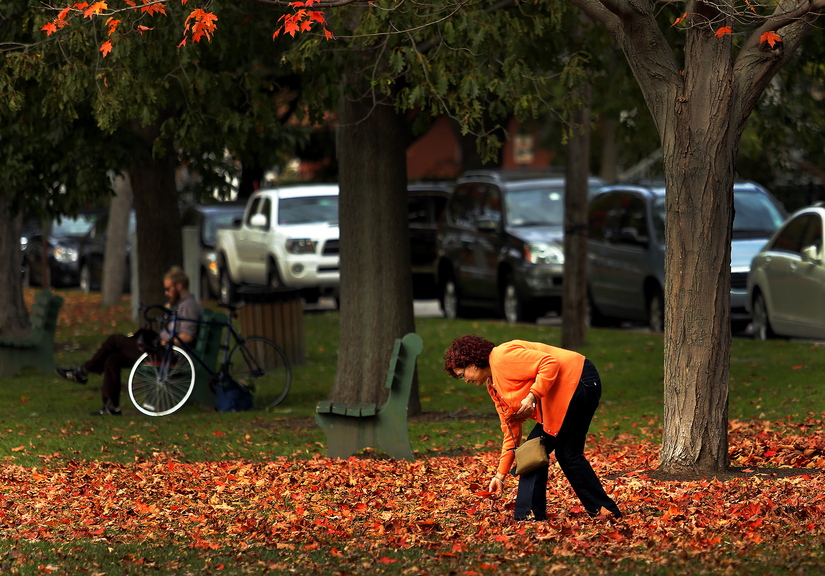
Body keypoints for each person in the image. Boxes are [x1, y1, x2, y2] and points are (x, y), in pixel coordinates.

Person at [444, 335, 622, 521]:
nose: (464, 380)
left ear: (472, 363)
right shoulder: (494, 387)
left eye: (462, 375)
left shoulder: (501, 356)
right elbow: (511, 433)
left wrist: (532, 397)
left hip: (578, 380)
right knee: (533, 452)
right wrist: (500, 476)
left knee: (567, 454)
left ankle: (605, 512)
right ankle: (529, 515)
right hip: (562, 395)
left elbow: (549, 363)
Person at [56, 266, 203, 416]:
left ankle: (84, 371)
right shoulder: (181, 305)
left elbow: (187, 336)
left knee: (115, 340)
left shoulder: (188, 307)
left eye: (168, 289)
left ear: (179, 286)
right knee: (113, 359)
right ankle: (111, 406)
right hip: (159, 349)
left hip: (163, 353)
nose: (166, 293)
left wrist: (165, 342)